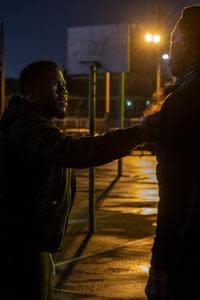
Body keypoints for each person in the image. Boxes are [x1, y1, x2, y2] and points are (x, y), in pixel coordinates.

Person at [0, 60, 155, 300]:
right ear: (30, 92)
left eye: (64, 85)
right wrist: (140, 133)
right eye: (55, 85)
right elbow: (78, 151)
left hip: (31, 244)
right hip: (21, 249)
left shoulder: (34, 126)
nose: (64, 92)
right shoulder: (26, 129)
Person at [145, 5, 200, 300]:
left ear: (191, 44)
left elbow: (177, 196)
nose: (170, 52)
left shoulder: (184, 101)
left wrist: (159, 262)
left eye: (173, 42)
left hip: (190, 253)